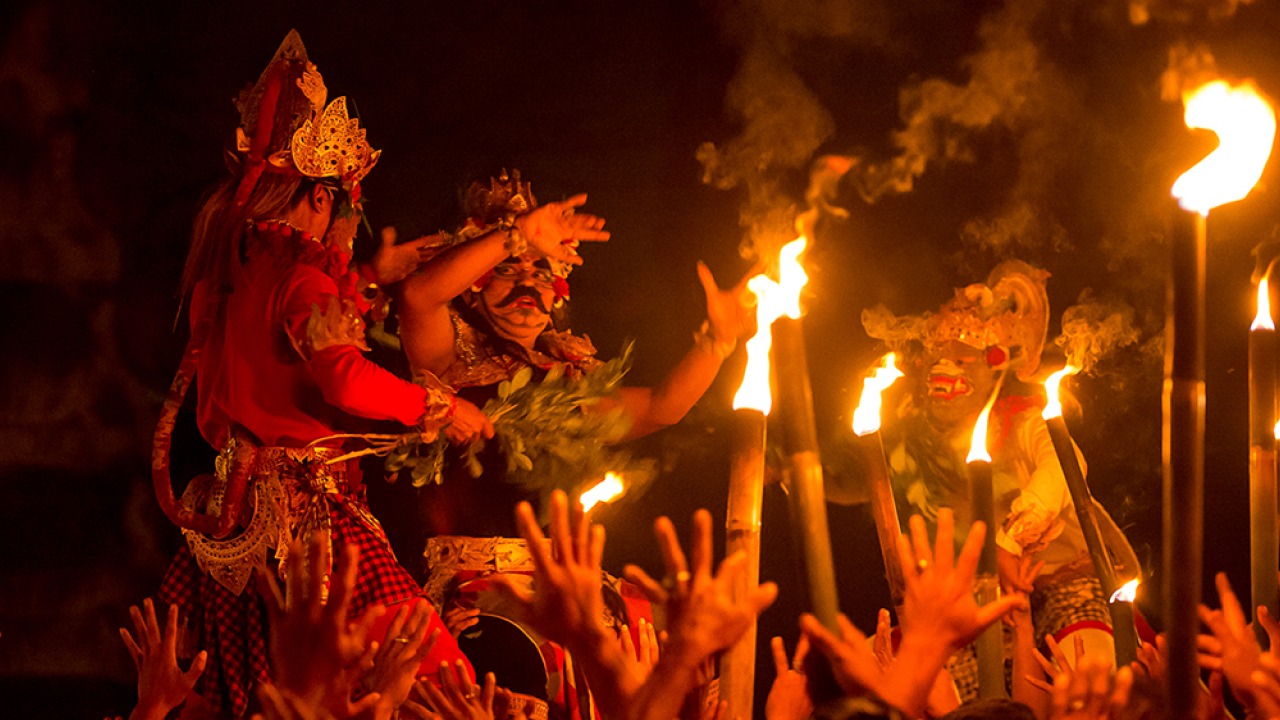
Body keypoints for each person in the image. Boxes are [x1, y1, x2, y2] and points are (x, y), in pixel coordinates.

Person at [150, 31, 479, 717]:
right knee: (437, 683)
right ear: (318, 199)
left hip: (228, 524)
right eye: (340, 204)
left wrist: (366, 282)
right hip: (306, 522)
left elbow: (283, 345)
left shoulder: (230, 278)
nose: (342, 224)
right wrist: (435, 409)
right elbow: (343, 379)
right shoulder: (301, 280)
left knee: (265, 700)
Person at [861, 260, 1138, 701]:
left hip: (1062, 585)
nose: (942, 371)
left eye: (960, 359)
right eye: (936, 358)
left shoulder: (1025, 423)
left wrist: (1011, 540)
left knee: (1089, 676)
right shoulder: (912, 442)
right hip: (976, 603)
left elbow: (1063, 472)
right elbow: (848, 481)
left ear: (994, 366)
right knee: (897, 679)